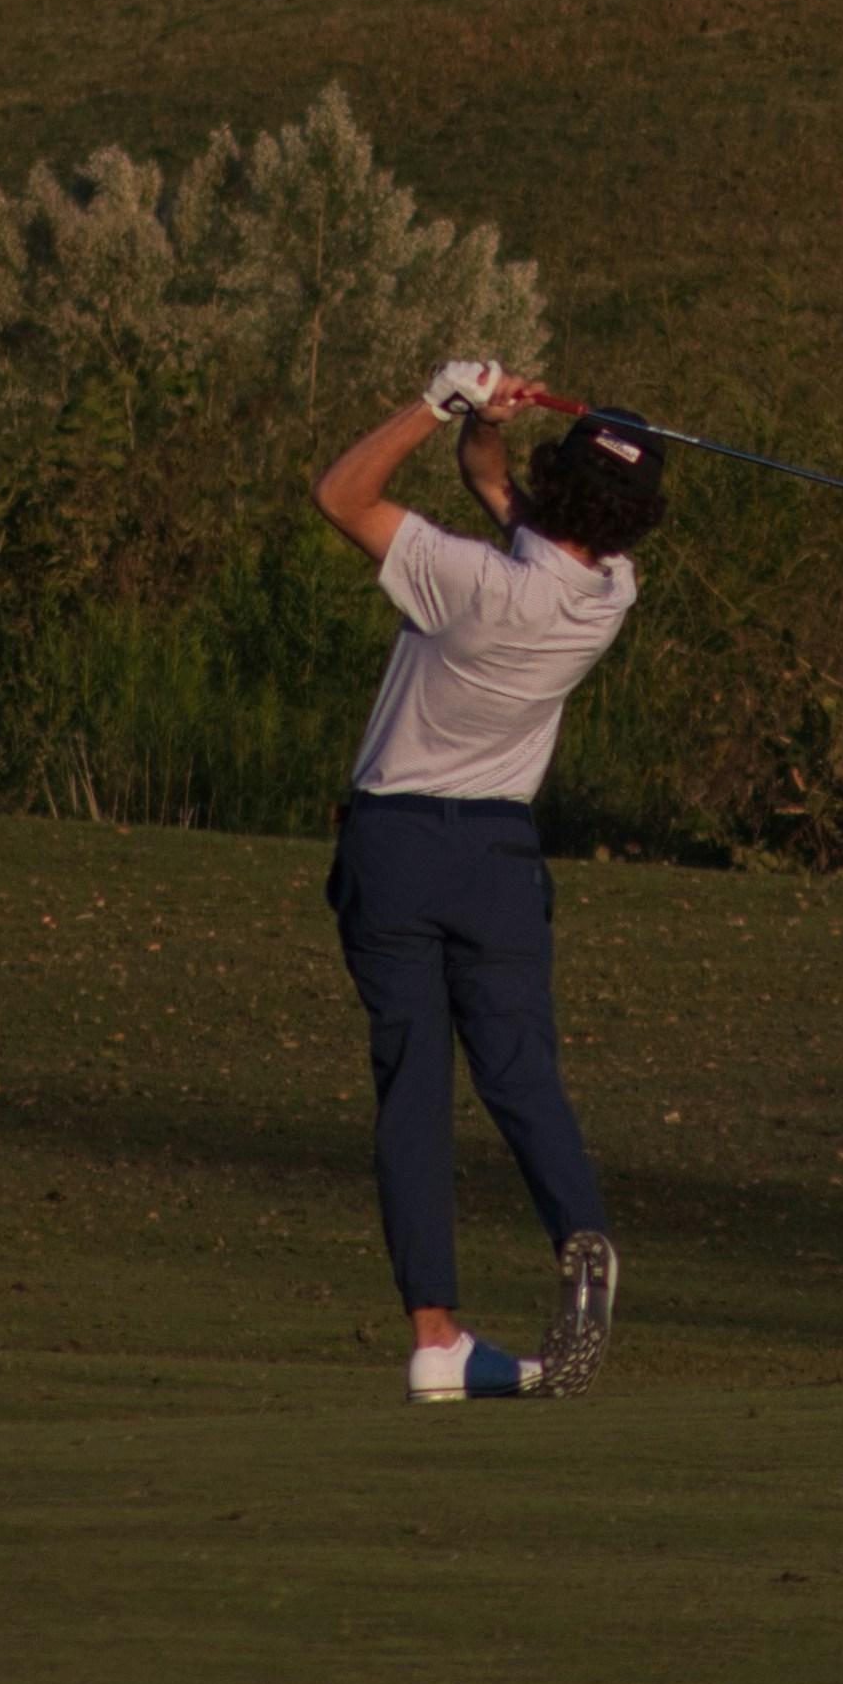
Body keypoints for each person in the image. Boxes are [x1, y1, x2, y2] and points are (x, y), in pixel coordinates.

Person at [309, 356, 664, 1402]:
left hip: (396, 846)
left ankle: (435, 1334)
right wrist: (487, 424)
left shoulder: (467, 581)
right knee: (517, 1072)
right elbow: (497, 488)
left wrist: (435, 403)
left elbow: (341, 494)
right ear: (633, 522)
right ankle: (580, 1228)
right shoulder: (611, 592)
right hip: (500, 859)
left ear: (559, 483)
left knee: (414, 1085)